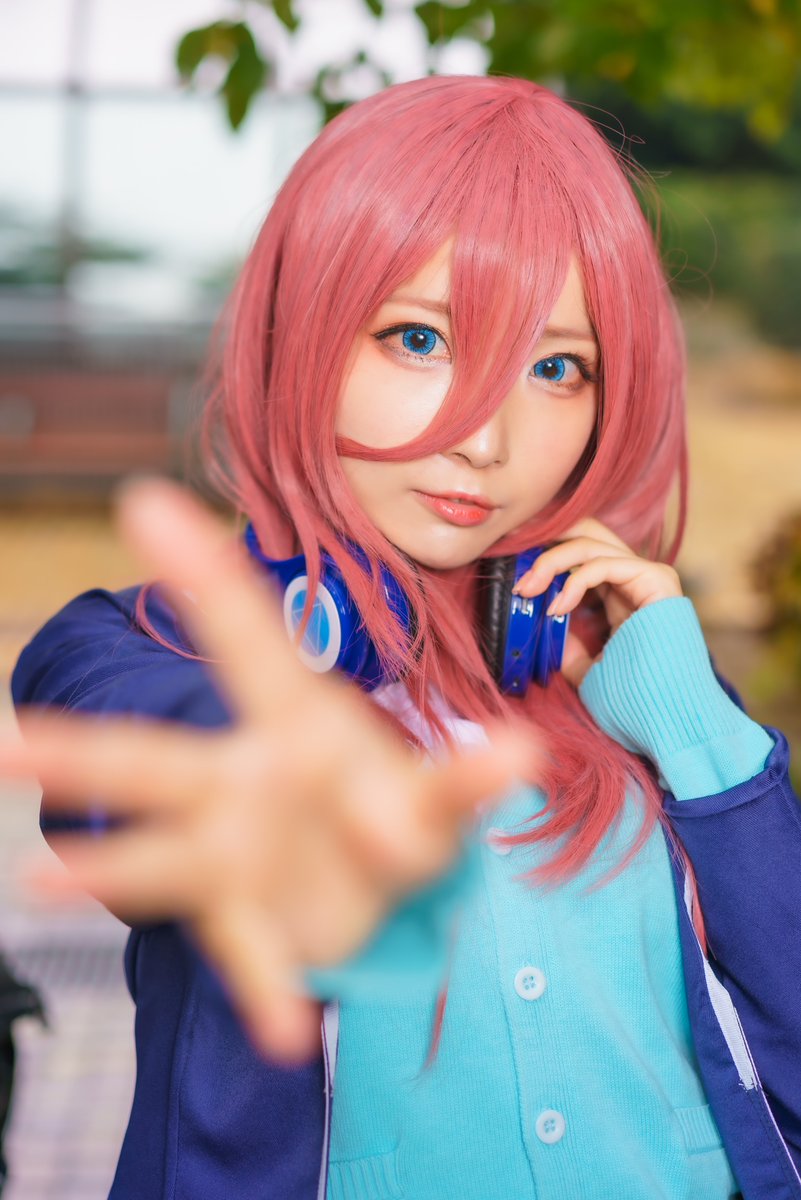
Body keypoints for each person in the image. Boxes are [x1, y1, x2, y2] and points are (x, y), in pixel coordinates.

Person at [3, 74, 800, 1200]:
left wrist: (692, 724)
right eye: (418, 338)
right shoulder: (149, 650)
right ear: (302, 336)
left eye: (555, 367)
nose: (485, 437)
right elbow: (124, 746)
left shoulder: (633, 667)